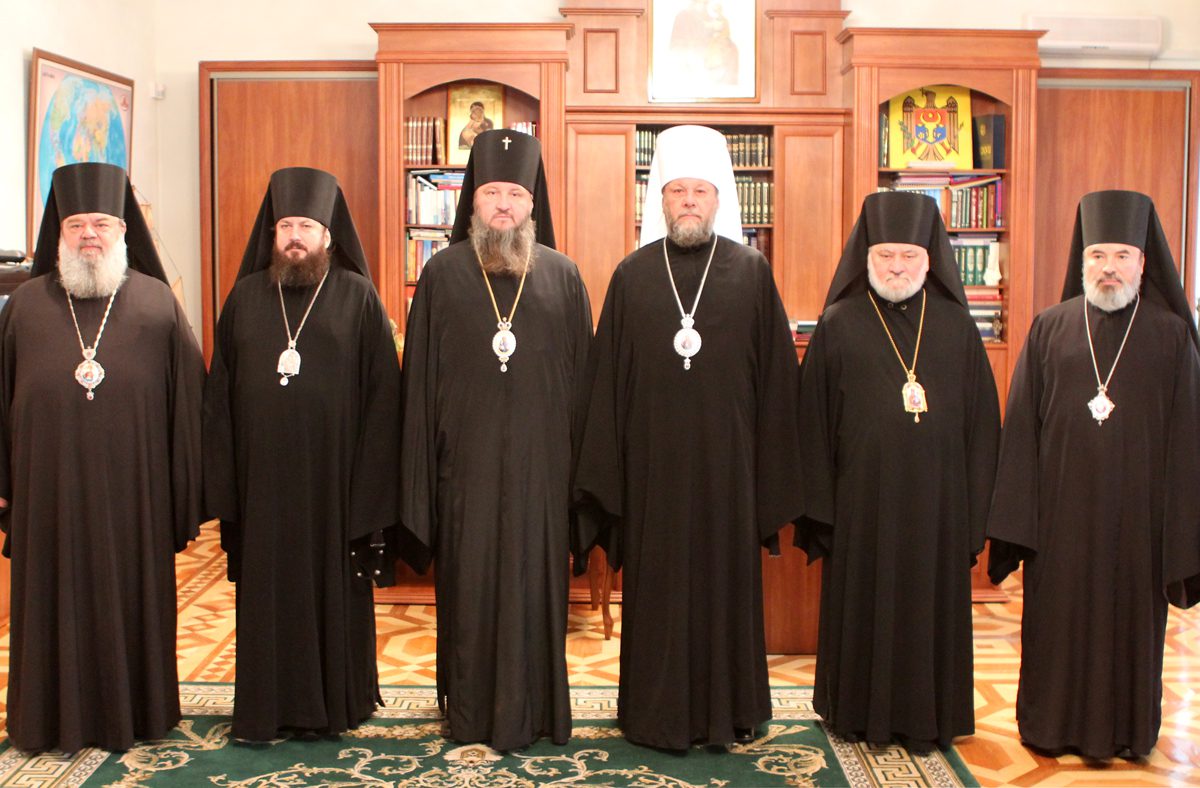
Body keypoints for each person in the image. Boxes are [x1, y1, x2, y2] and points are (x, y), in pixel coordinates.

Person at [572, 125, 802, 749]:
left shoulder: (751, 272)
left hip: (730, 475)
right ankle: (654, 714)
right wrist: (610, 480)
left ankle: (733, 709)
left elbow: (778, 386)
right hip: (653, 476)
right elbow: (606, 386)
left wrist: (768, 479)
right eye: (678, 191)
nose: (690, 201)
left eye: (701, 190)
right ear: (661, 200)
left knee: (727, 590)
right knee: (659, 593)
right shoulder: (631, 276)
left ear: (719, 198)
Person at [986, 189, 1200, 759]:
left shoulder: (1172, 336)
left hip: (1139, 527)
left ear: (1143, 263)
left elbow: (1188, 443)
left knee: (1131, 629)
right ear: (1082, 260)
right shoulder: (1049, 328)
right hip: (1060, 523)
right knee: (1056, 625)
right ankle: (1049, 727)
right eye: (1098, 254)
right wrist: (1017, 525)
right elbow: (1021, 431)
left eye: (1122, 255)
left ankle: (1128, 734)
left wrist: (1179, 533)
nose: (1109, 267)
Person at [0, 162, 205, 753]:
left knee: (132, 599)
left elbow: (190, 405)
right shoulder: (24, 306)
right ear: (58, 233)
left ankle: (139, 713)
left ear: (123, 230)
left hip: (135, 497)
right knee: (50, 604)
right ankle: (47, 718)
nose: (89, 234)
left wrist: (183, 493)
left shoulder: (157, 304)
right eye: (76, 224)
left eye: (101, 223)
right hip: (47, 496)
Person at [399, 129, 592, 750]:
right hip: (465, 476)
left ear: (533, 203)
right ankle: (470, 714)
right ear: (472, 202)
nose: (503, 205)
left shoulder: (564, 277)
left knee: (537, 595)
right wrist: (421, 483)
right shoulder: (440, 275)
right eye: (491, 193)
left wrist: (577, 486)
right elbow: (418, 387)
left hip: (543, 478)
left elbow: (585, 392)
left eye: (515, 194)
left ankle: (539, 712)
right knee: (471, 595)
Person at [793, 191, 1000, 753]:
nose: (897, 267)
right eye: (885, 255)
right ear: (866, 258)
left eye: (909, 255)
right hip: (861, 506)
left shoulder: (958, 327)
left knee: (929, 609)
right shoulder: (838, 323)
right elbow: (811, 424)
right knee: (864, 606)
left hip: (939, 507)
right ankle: (855, 713)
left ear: (929, 260)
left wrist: (972, 510)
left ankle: (931, 716)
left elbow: (984, 426)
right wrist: (823, 511)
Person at [203, 166, 402, 741]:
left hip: (335, 488)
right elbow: (219, 400)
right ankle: (265, 707)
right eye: (286, 225)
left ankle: (338, 704)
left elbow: (384, 400)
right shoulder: (245, 298)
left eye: (307, 227)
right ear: (272, 234)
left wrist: (369, 494)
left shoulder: (359, 297)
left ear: (328, 235)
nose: (295, 237)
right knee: (267, 596)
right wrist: (226, 490)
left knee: (333, 593)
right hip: (262, 487)